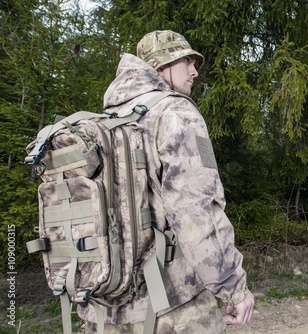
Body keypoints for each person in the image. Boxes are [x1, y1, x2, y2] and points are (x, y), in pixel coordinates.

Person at [81, 30, 254, 333]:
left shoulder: (103, 122)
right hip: (173, 305)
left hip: (104, 307)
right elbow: (197, 209)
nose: (195, 71)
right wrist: (233, 287)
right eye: (186, 60)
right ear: (161, 66)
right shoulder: (177, 112)